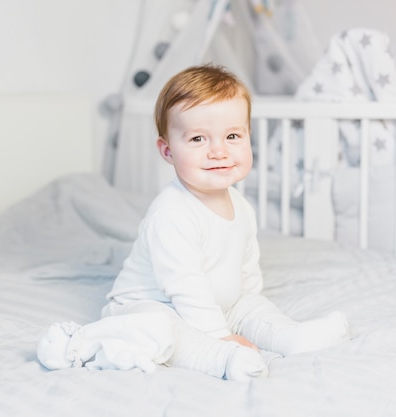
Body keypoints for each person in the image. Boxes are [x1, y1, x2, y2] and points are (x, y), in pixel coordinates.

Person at [101, 64, 350, 381]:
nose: (218, 151)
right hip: (154, 305)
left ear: (248, 138)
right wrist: (218, 335)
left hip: (217, 303)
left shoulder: (241, 206)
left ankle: (293, 338)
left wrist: (247, 304)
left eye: (232, 136)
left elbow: (246, 266)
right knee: (163, 329)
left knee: (253, 308)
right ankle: (218, 357)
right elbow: (185, 285)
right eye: (197, 139)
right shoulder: (171, 213)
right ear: (167, 151)